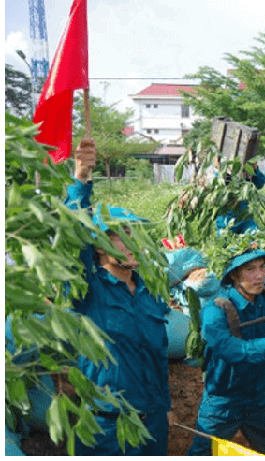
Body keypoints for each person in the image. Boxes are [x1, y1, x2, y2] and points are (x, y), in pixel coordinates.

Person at [65, 138, 173, 456]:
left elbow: (158, 356)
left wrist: (164, 406)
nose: (131, 242)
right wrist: (81, 180)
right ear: (99, 246)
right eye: (120, 235)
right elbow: (74, 238)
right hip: (105, 427)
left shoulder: (148, 294)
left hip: (152, 422)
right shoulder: (88, 291)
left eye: (134, 234)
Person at [187, 245, 265, 456]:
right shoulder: (216, 309)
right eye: (250, 269)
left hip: (257, 399)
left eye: (262, 267)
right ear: (234, 275)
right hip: (223, 401)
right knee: (202, 453)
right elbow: (229, 350)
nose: (259, 276)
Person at [215, 166, 265, 235]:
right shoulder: (220, 174)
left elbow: (259, 183)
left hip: (244, 216)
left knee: (253, 236)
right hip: (225, 218)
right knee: (224, 240)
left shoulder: (245, 171)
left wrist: (255, 168)